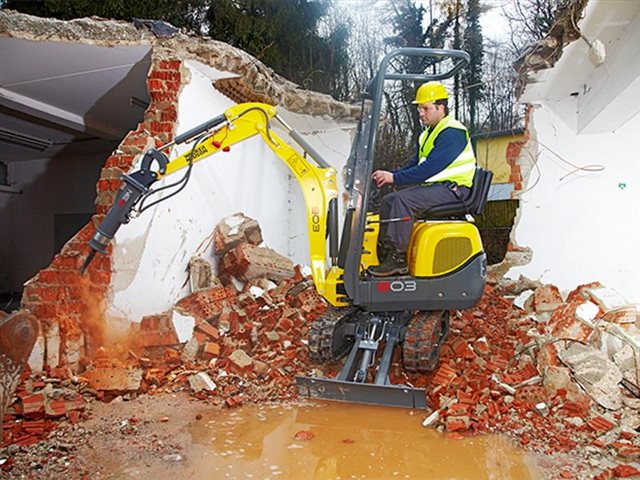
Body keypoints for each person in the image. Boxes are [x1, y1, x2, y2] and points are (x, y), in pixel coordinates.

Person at [368, 81, 477, 277]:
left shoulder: (453, 132)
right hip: (438, 188)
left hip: (455, 191)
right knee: (389, 200)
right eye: (419, 108)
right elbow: (415, 165)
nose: (421, 113)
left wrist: (395, 178)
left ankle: (398, 259)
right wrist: (390, 174)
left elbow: (428, 169)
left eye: (426, 108)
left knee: (403, 200)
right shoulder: (428, 134)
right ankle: (385, 252)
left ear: (441, 107)